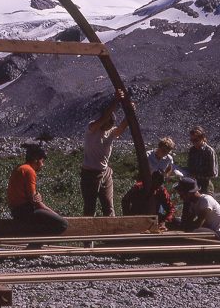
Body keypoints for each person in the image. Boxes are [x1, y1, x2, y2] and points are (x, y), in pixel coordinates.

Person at [80, 89, 130, 217]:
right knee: (90, 207)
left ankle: (110, 234)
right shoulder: (92, 128)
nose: (107, 126)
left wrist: (130, 112)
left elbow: (121, 128)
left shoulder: (111, 133)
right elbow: (103, 118)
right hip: (90, 173)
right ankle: (89, 235)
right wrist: (116, 100)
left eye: (110, 124)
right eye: (107, 122)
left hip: (105, 172)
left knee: (108, 206)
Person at [7, 145, 68, 234]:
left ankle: (34, 244)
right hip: (24, 212)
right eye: (42, 161)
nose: (43, 165)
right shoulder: (29, 171)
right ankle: (34, 246)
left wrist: (36, 196)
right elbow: (36, 202)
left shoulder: (20, 168)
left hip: (16, 211)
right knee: (63, 224)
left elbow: (31, 196)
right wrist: (55, 214)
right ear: (36, 160)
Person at [174, 177, 220, 241]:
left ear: (189, 193)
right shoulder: (193, 203)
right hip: (211, 231)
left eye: (182, 195)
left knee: (190, 230)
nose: (181, 198)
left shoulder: (206, 200)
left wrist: (185, 226)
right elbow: (187, 220)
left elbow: (198, 224)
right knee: (177, 222)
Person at [187, 126, 218, 194]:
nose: (194, 143)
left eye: (196, 140)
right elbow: (190, 166)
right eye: (192, 140)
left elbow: (213, 173)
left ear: (203, 138)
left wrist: (197, 175)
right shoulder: (192, 150)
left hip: (205, 187)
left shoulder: (209, 151)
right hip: (193, 185)